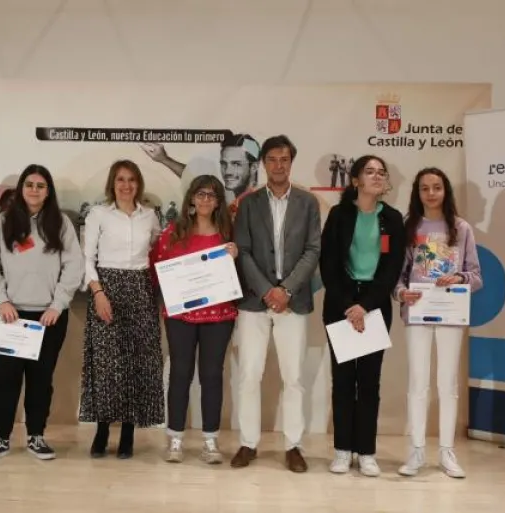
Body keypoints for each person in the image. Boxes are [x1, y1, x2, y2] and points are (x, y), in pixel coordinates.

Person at [0, 164, 84, 462]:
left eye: (40, 185)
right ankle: (0, 438)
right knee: (3, 380)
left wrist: (57, 305)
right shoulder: (4, 222)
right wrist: (1, 301)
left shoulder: (60, 223)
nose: (34, 190)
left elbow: (73, 266)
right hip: (8, 315)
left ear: (48, 192)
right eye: (29, 184)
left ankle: (37, 436)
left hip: (48, 318)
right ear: (21, 189)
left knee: (40, 380)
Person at [230, 135, 321, 472]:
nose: (278, 165)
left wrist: (287, 290)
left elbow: (313, 250)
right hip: (255, 301)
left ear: (291, 163)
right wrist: (268, 290)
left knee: (293, 377)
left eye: (284, 159)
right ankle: (248, 443)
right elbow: (243, 250)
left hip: (293, 302)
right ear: (263, 164)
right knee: (249, 375)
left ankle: (293, 446)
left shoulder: (308, 202)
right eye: (272, 159)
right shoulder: (248, 204)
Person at [319, 154, 405, 477]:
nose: (377, 176)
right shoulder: (339, 215)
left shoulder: (392, 219)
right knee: (343, 380)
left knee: (369, 381)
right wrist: (348, 305)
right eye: (370, 172)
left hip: (374, 303)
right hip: (341, 303)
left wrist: (365, 305)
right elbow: (328, 265)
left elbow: (391, 268)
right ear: (355, 180)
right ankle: (342, 450)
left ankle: (366, 451)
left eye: (382, 172)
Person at [395, 167, 482, 479]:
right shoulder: (409, 227)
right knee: (417, 383)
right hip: (418, 312)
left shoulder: (461, 228)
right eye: (424, 188)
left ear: (446, 191)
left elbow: (476, 276)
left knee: (448, 383)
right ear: (417, 193)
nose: (431, 193)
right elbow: (398, 276)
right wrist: (401, 293)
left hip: (450, 312)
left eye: (437, 187)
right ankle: (416, 450)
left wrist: (458, 277)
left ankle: (447, 450)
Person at [78, 160, 165, 459]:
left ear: (138, 184)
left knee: (136, 362)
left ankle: (128, 433)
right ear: (112, 184)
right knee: (106, 365)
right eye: (120, 180)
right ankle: (102, 430)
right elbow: (87, 258)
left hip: (140, 289)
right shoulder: (98, 214)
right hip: (106, 288)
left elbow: (159, 250)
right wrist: (98, 292)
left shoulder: (150, 216)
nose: (126, 185)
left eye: (131, 179)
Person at [150, 175, 238, 464]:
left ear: (219, 201)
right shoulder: (173, 233)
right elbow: (157, 269)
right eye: (201, 194)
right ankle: (175, 439)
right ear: (191, 198)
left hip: (219, 314)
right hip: (181, 316)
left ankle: (210, 441)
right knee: (180, 373)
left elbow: (241, 275)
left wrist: (235, 257)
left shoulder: (229, 234)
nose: (205, 200)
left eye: (212, 195)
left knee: (212, 375)